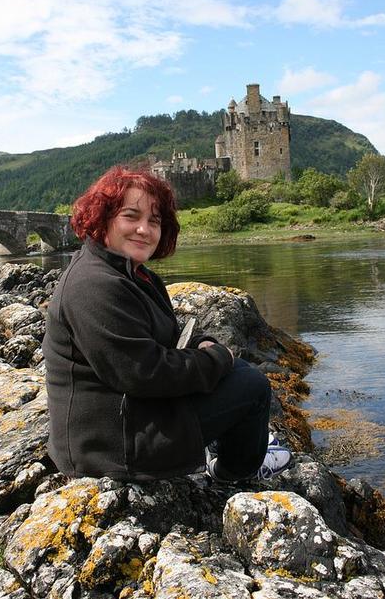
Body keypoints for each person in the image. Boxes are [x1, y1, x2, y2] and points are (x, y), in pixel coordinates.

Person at [43, 166, 292, 482]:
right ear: (103, 218)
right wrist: (217, 358)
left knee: (236, 372)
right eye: (130, 216)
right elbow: (145, 373)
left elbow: (169, 333)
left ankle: (224, 444)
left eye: (154, 221)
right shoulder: (93, 285)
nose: (144, 230)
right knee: (253, 386)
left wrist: (202, 343)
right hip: (111, 448)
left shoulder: (131, 273)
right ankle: (232, 472)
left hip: (125, 419)